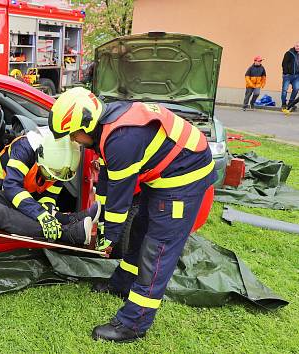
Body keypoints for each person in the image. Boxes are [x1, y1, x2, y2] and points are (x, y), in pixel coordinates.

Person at [49, 87, 217, 343]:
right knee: (140, 229)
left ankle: (133, 324)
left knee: (157, 250)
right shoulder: (107, 128)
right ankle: (123, 283)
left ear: (86, 123)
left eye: (73, 134)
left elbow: (120, 201)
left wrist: (108, 237)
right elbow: (107, 181)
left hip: (183, 178)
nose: (73, 140)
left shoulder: (121, 140)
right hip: (165, 172)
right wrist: (100, 215)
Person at [281, 42, 299, 110]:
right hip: (288, 76)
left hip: (296, 76)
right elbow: (284, 63)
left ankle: (290, 104)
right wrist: (286, 73)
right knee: (284, 90)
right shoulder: (289, 53)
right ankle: (283, 104)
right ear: (294, 46)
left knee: (296, 89)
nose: (298, 47)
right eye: (297, 46)